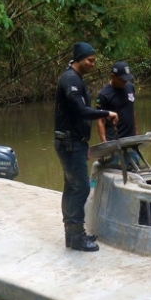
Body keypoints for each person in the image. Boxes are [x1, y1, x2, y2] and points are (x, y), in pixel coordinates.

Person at [54, 42, 119, 252]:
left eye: (94, 61)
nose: (93, 64)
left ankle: (72, 236)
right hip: (69, 143)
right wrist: (105, 113)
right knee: (80, 187)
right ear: (78, 59)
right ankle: (77, 237)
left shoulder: (74, 79)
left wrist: (85, 142)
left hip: (73, 142)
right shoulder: (70, 79)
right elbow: (80, 110)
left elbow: (77, 115)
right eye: (90, 60)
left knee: (72, 187)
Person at [95, 61, 140, 168]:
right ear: (113, 76)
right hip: (113, 139)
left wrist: (137, 131)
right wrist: (104, 143)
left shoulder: (130, 87)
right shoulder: (104, 94)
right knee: (111, 170)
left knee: (134, 168)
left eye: (127, 78)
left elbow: (132, 110)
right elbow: (100, 120)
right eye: (122, 79)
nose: (125, 81)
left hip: (130, 138)